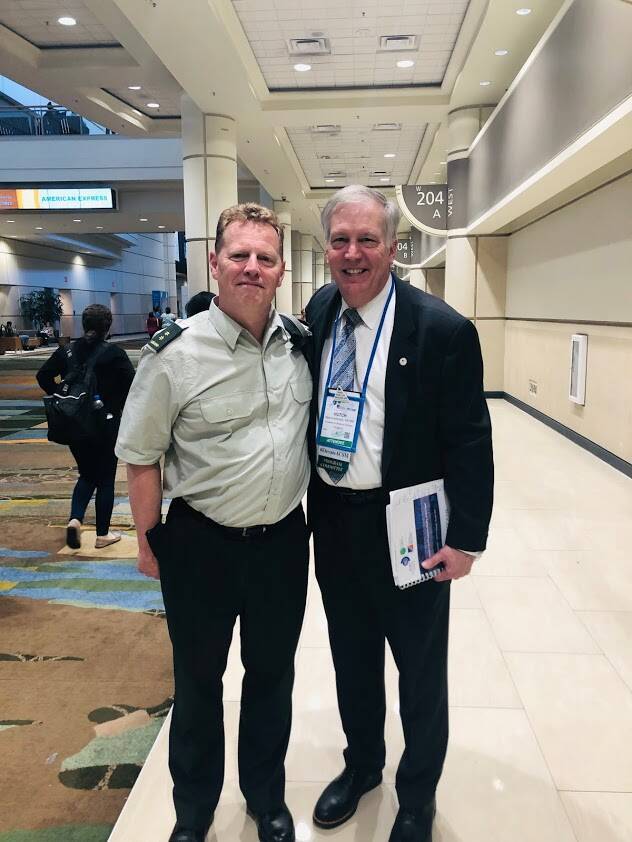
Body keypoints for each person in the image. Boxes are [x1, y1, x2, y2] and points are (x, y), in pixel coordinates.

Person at [116, 202, 312, 842]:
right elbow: (140, 455)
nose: (252, 267)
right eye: (239, 255)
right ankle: (194, 812)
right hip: (201, 545)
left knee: (272, 677)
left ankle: (266, 798)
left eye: (265, 257)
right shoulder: (175, 353)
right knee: (198, 684)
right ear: (215, 262)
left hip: (282, 543)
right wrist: (150, 543)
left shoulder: (301, 345)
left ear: (281, 270)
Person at [306, 186, 494, 842]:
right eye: (340, 240)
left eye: (367, 240)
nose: (352, 253)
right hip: (335, 522)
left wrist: (466, 540)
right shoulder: (321, 309)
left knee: (418, 670)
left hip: (410, 526)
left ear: (392, 248)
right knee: (352, 658)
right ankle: (363, 766)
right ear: (327, 247)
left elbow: (470, 441)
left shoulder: (442, 330)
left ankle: (416, 796)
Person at [37, 304, 135, 550]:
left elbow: (43, 376)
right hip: (106, 423)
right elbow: (133, 386)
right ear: (108, 327)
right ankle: (102, 534)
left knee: (87, 474)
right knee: (106, 479)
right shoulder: (115, 354)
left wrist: (61, 397)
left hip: (74, 423)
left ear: (83, 324)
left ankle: (75, 519)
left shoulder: (67, 351)